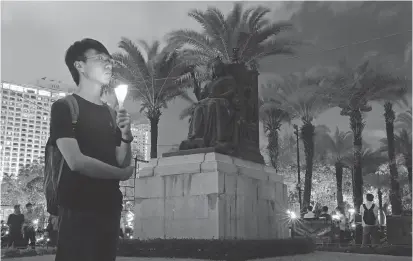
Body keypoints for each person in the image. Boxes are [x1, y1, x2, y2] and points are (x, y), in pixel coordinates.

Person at [50, 38, 134, 261]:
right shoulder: (64, 107)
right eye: (100, 59)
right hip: (78, 205)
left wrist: (126, 136)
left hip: (109, 206)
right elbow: (76, 161)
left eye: (110, 61)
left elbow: (119, 158)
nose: (109, 65)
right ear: (79, 65)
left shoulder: (111, 113)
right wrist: (122, 174)